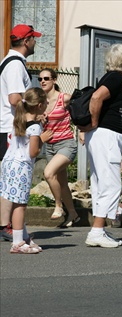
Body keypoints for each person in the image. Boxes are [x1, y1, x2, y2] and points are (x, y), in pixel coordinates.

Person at [78, 44, 122, 248]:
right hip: (107, 135)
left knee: (102, 182)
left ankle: (99, 229)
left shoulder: (114, 80)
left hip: (106, 135)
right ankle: (97, 231)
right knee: (111, 184)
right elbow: (96, 97)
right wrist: (93, 122)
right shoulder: (115, 78)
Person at [0, 24, 42, 241]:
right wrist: (32, 118)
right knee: (12, 181)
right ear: (26, 41)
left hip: (8, 126)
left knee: (7, 179)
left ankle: (7, 225)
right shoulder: (15, 65)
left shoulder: (10, 62)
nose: (35, 42)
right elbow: (15, 99)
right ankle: (6, 226)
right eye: (33, 38)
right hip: (10, 127)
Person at [0, 87, 52, 253]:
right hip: (21, 167)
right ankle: (18, 243)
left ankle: (24, 238)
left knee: (15, 202)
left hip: (9, 164)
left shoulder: (19, 120)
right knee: (20, 205)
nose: (47, 104)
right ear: (39, 105)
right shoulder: (35, 128)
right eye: (45, 103)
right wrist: (42, 139)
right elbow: (33, 152)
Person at [38, 68, 80, 227]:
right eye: (41, 79)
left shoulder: (65, 98)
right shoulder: (40, 102)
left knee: (48, 173)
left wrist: (83, 130)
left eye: (47, 78)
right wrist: (38, 117)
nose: (43, 81)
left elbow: (81, 108)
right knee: (62, 183)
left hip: (66, 144)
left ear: (54, 80)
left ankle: (58, 206)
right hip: (50, 146)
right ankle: (73, 214)